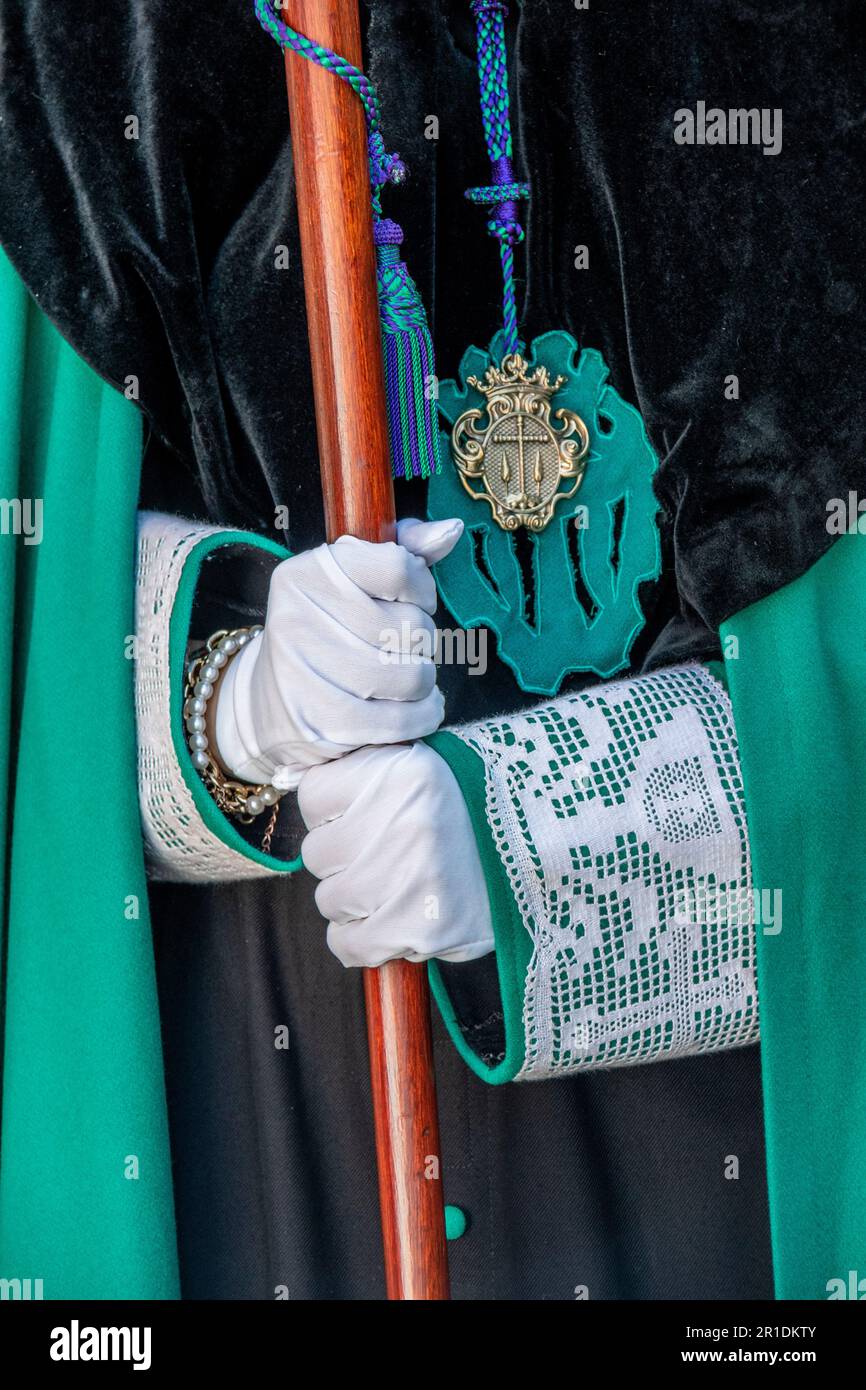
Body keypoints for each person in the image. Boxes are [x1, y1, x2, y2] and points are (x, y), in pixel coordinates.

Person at [0, 0, 863, 1302]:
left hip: (718, 1145)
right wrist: (235, 690)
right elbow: (37, 573)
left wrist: (552, 847)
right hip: (261, 1073)